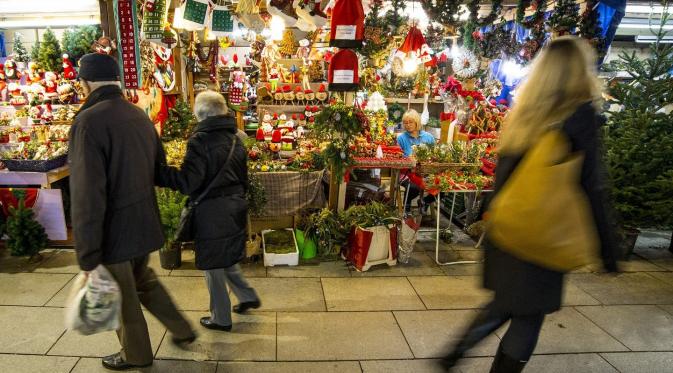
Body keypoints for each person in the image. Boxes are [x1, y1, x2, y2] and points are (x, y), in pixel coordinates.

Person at [438, 37, 619, 372]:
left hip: (509, 228)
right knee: (528, 315)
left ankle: (454, 353)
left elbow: (502, 176)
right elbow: (592, 185)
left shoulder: (525, 112)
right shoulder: (581, 116)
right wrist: (608, 249)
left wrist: (487, 218)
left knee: (505, 302)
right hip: (545, 232)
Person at [69, 53, 196, 371]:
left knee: (121, 295)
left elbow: (87, 194)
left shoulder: (88, 123)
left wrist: (87, 253)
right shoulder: (139, 115)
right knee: (144, 281)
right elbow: (158, 169)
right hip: (143, 221)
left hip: (114, 231)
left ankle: (135, 355)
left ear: (85, 83)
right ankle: (182, 328)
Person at [156, 90, 261, 332]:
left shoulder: (200, 141)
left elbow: (188, 182)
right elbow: (243, 177)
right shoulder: (239, 137)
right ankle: (246, 296)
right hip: (234, 205)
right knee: (225, 255)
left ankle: (220, 318)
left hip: (212, 210)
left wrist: (159, 172)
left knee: (213, 264)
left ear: (200, 115)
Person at [396, 109, 436, 213]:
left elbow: (435, 155)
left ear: (417, 122)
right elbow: (397, 157)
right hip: (407, 172)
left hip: (426, 172)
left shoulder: (428, 137)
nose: (408, 125)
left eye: (410, 122)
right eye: (405, 123)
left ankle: (426, 201)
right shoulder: (401, 138)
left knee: (444, 185)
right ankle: (406, 210)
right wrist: (408, 158)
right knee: (413, 187)